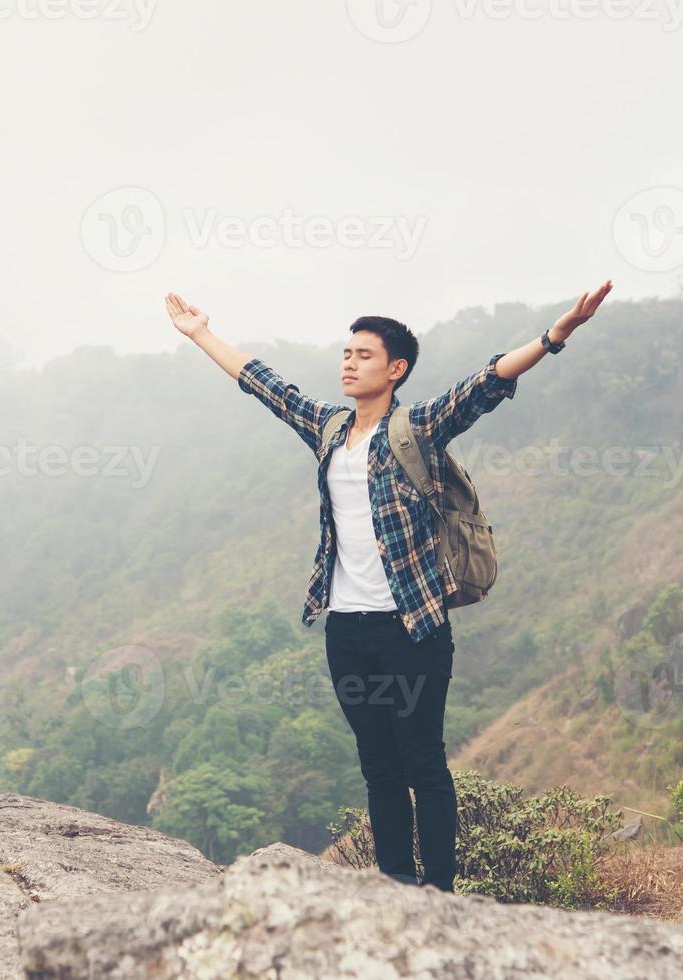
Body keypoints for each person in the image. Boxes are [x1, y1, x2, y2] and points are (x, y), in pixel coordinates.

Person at [163, 281, 614, 889]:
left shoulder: (418, 429)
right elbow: (264, 383)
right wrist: (200, 334)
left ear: (396, 369)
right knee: (378, 766)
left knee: (423, 762)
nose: (348, 363)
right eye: (346, 354)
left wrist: (555, 335)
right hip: (346, 628)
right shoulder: (327, 429)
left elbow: (484, 384)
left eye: (364, 355)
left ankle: (440, 895)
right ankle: (396, 889)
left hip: (413, 628)